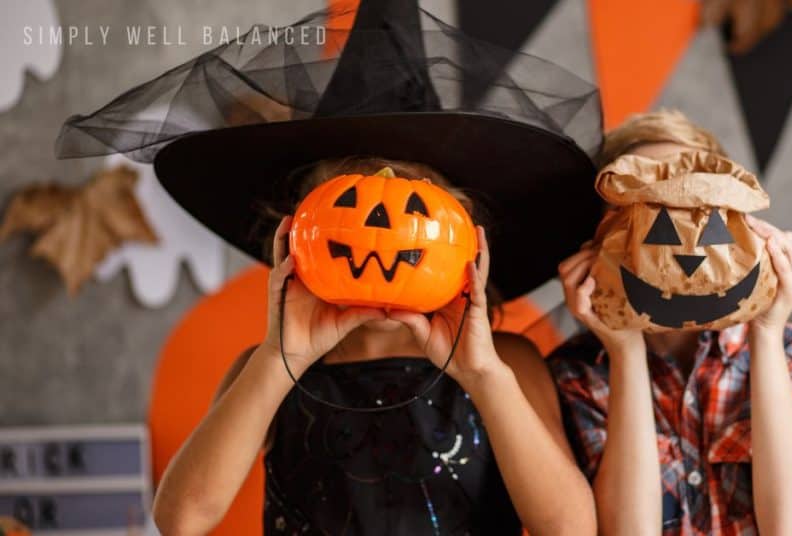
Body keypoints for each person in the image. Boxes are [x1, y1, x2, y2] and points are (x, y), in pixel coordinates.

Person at [55, 2, 605, 534]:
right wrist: (279, 359)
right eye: (348, 208)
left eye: (416, 210)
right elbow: (182, 518)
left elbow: (570, 528)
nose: (382, 235)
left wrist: (482, 377)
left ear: (465, 244)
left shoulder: (505, 363)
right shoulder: (270, 369)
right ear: (296, 238)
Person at [549, 110, 792, 535]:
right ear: (604, 236)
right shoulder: (577, 375)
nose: (687, 253)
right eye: (658, 221)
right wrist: (624, 348)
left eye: (701, 215)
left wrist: (766, 331)